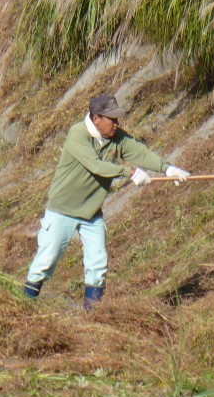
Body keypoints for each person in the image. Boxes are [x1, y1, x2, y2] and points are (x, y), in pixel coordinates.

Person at [23, 94, 191, 310]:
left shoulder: (116, 137)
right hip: (62, 210)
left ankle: (91, 315)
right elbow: (96, 166)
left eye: (117, 119)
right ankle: (25, 307)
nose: (116, 124)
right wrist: (129, 172)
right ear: (96, 119)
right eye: (111, 119)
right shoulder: (78, 135)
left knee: (98, 263)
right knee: (46, 261)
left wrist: (167, 168)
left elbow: (139, 152)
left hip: (91, 212)